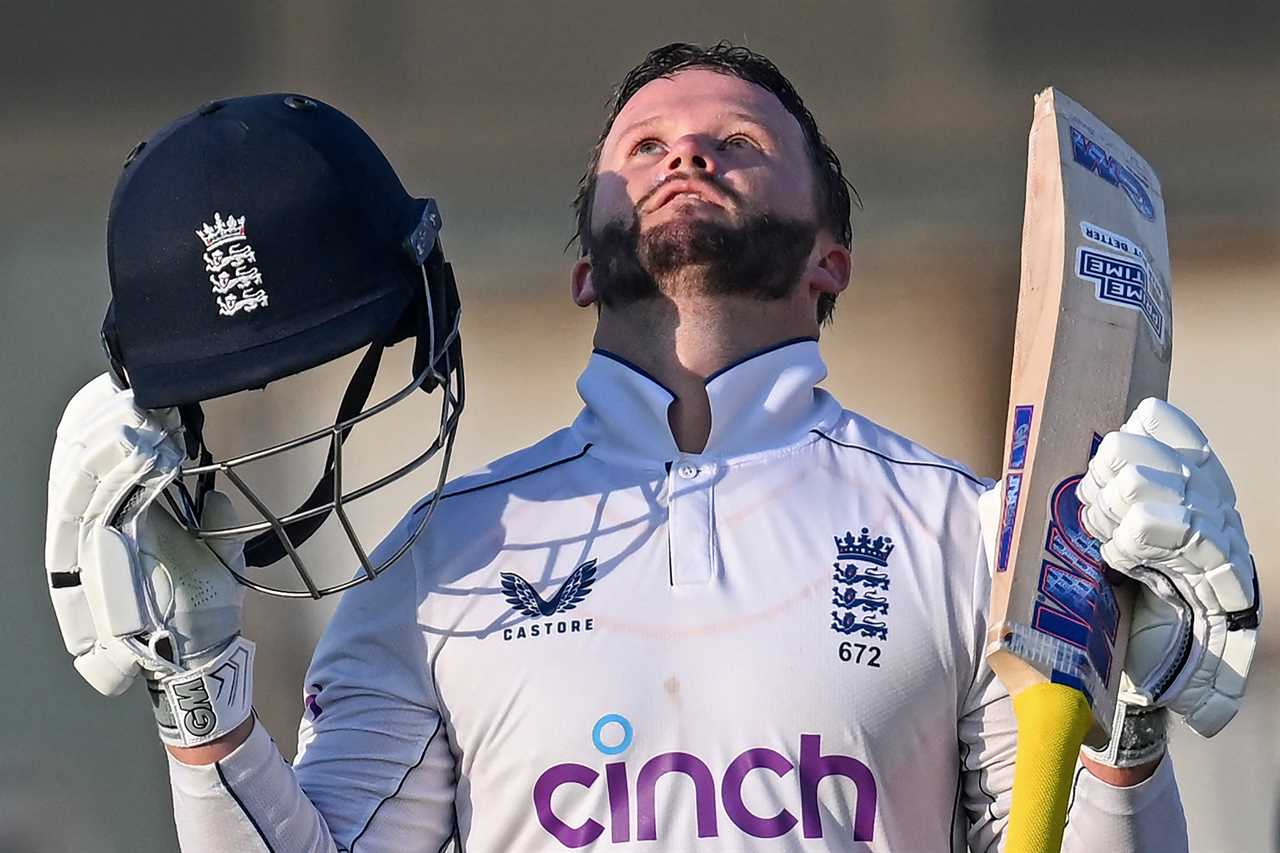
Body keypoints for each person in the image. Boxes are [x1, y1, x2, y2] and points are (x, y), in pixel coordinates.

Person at [46, 43, 1259, 851]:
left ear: (831, 256)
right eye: (643, 147)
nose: (686, 152)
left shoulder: (963, 534)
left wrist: (1125, 737)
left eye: (735, 141)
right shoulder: (434, 560)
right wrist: (196, 689)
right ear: (584, 262)